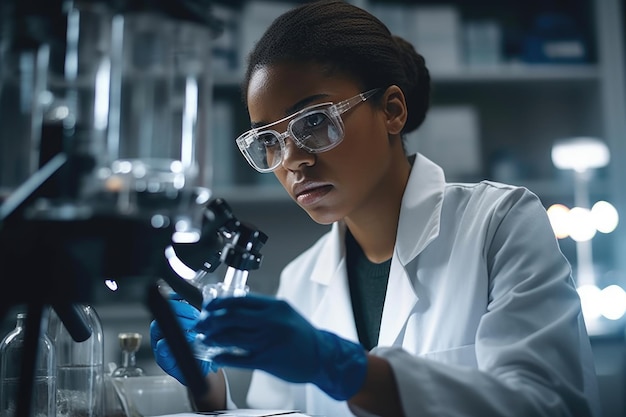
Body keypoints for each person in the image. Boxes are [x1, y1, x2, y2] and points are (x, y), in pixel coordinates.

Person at [150, 1, 601, 416]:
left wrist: (345, 368)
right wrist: (208, 388)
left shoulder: (500, 224)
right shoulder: (300, 281)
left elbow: (546, 403)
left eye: (314, 122)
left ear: (391, 110)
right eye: (269, 141)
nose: (292, 161)